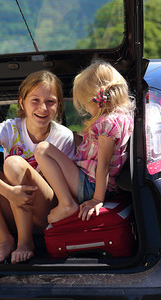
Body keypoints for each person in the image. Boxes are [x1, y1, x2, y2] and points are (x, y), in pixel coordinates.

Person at [0, 70, 75, 264]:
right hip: (15, 206)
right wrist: (9, 192)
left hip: (47, 212)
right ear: (21, 102)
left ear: (59, 105)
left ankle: (25, 243)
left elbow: (69, 189)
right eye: (35, 100)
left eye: (50, 101)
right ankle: (5, 240)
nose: (43, 108)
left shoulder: (62, 137)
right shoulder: (9, 128)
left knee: (13, 163)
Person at [34, 60, 134, 224]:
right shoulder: (124, 117)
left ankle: (66, 204)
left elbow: (103, 165)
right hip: (98, 184)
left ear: (95, 100)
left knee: (43, 149)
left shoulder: (106, 124)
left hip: (90, 185)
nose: (86, 109)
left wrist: (96, 199)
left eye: (85, 104)